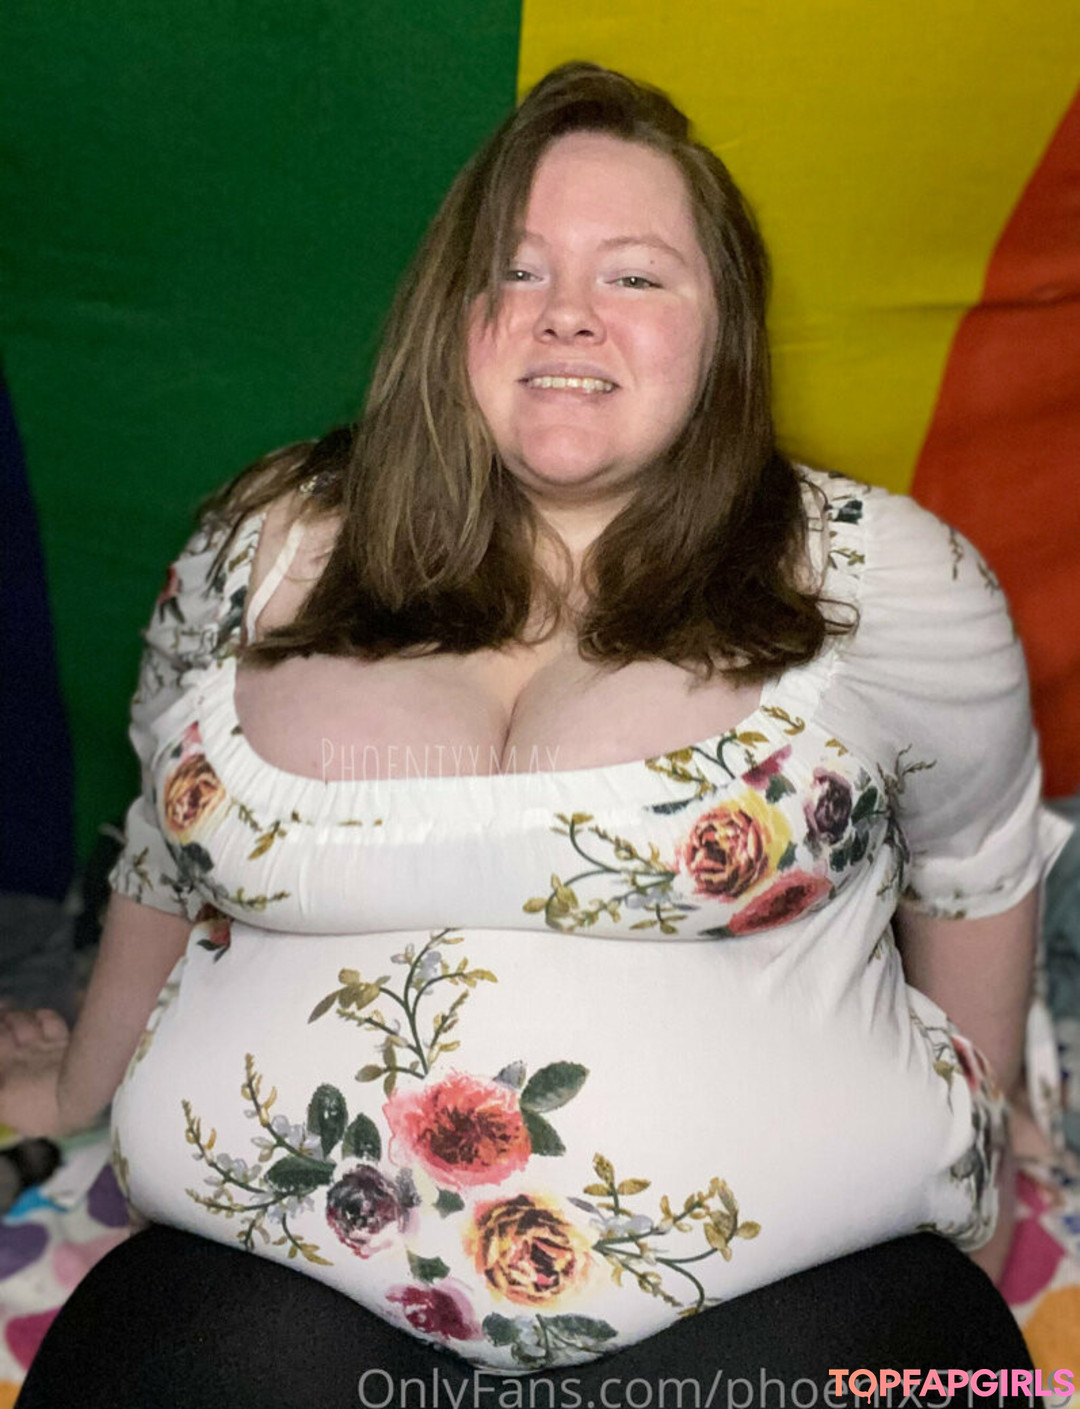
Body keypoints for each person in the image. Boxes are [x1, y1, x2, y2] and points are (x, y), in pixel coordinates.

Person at [1, 61, 1068, 1401]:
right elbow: (166, 841)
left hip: (806, 1298)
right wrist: (81, 1082)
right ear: (453, 317)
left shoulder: (888, 578)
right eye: (517, 270)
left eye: (635, 275)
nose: (568, 311)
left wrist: (992, 1148)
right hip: (266, 1300)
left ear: (725, 334)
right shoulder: (254, 549)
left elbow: (974, 862)